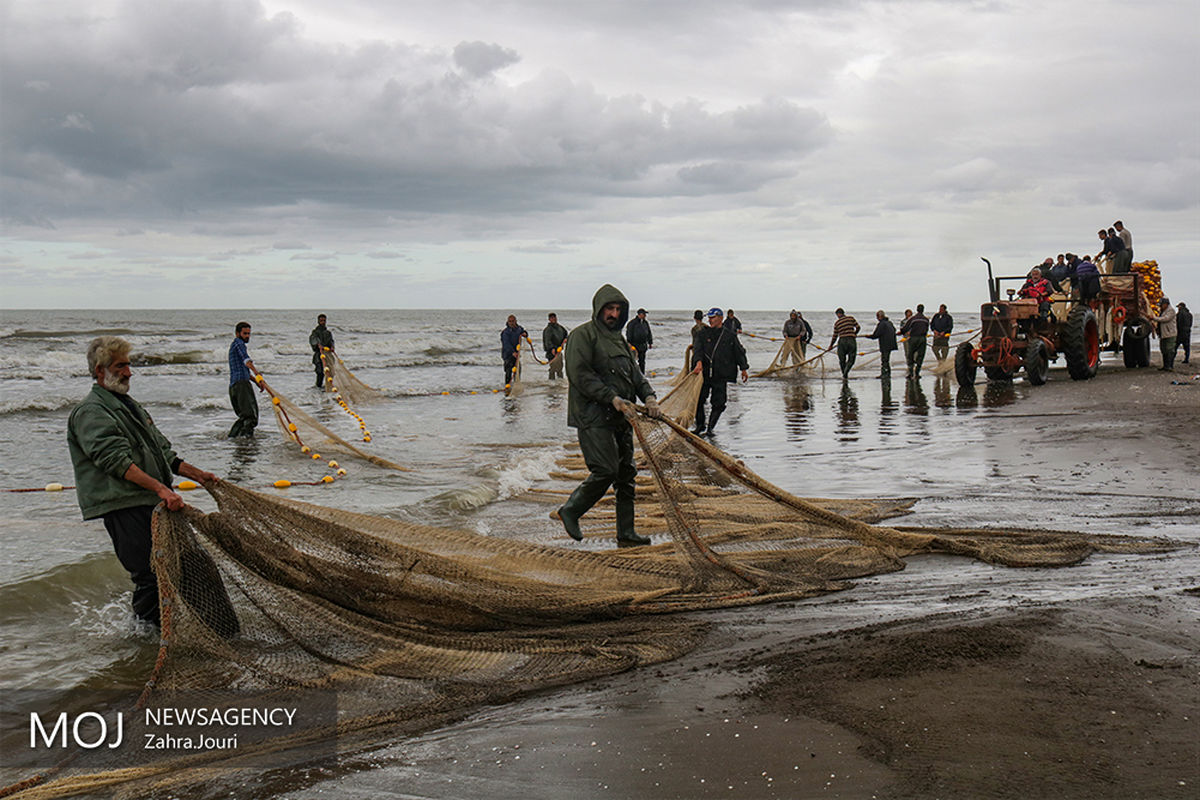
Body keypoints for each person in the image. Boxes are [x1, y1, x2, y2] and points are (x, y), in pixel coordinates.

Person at [67, 337, 218, 626]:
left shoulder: (129, 406)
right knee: (150, 576)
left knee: (194, 565)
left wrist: (199, 475)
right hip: (125, 505)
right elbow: (115, 461)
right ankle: (147, 643)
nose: (128, 372)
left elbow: (164, 452)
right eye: (120, 366)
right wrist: (161, 488)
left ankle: (209, 631)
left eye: (128, 365)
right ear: (99, 371)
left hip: (152, 502)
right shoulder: (92, 412)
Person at [558, 285, 661, 548]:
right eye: (609, 309)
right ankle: (571, 509)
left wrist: (649, 396)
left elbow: (635, 376)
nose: (614, 314)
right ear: (599, 309)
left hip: (621, 418)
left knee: (626, 475)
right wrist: (611, 398)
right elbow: (579, 375)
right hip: (593, 417)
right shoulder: (583, 335)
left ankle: (626, 533)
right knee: (605, 469)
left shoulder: (620, 340)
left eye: (618, 309)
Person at [691, 308, 749, 435]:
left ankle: (710, 428)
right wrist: (698, 362)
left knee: (719, 403)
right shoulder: (702, 334)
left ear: (720, 318)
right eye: (709, 318)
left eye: (713, 318)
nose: (710, 320)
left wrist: (743, 369)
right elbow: (697, 349)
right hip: (704, 374)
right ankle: (700, 425)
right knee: (698, 400)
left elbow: (739, 352)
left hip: (721, 374)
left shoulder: (729, 335)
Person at [228, 322, 262, 437]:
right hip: (241, 386)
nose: (247, 336)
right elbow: (246, 360)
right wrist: (257, 373)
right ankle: (247, 442)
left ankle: (233, 439)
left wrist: (255, 381)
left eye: (249, 334)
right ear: (237, 333)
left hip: (234, 386)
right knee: (250, 417)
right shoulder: (239, 343)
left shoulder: (234, 346)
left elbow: (243, 370)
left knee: (244, 417)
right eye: (245, 333)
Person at [829, 308, 860, 379]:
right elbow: (858, 327)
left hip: (842, 341)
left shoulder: (837, 323)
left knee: (842, 359)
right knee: (851, 358)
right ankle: (846, 372)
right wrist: (854, 334)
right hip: (851, 340)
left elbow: (835, 336)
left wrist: (831, 345)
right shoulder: (851, 318)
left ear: (838, 314)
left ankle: (844, 374)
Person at [900, 303, 930, 377]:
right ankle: (917, 372)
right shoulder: (926, 319)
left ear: (917, 310)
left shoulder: (913, 319)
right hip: (922, 338)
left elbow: (905, 328)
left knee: (910, 354)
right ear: (923, 310)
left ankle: (911, 372)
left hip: (913, 338)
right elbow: (926, 329)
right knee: (921, 355)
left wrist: (901, 332)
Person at [865, 310, 897, 378]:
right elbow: (894, 330)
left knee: (884, 360)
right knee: (886, 359)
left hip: (885, 344)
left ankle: (884, 374)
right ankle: (887, 373)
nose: (877, 319)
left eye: (877, 317)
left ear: (880, 317)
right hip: (891, 343)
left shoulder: (882, 324)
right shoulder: (889, 323)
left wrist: (869, 336)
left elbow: (876, 334)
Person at [500, 315, 527, 387]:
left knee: (518, 370)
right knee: (508, 371)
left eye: (513, 321)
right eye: (510, 321)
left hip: (516, 354)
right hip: (508, 354)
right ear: (507, 322)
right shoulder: (505, 332)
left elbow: (523, 331)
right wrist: (512, 352)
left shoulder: (519, 329)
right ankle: (507, 386)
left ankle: (516, 385)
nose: (511, 323)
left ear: (516, 321)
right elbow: (506, 344)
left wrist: (525, 333)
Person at [309, 314, 334, 388]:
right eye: (321, 321)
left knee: (330, 372)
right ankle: (318, 387)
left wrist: (332, 346)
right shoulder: (315, 332)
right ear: (318, 321)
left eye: (324, 321)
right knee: (320, 372)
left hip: (328, 355)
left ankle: (327, 387)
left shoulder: (328, 333)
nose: (323, 322)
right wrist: (318, 344)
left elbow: (331, 341)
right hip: (318, 355)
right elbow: (313, 339)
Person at [1151, 297, 1177, 371]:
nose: (1160, 306)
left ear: (1166, 304)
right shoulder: (1162, 311)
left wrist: (1154, 318)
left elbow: (1166, 319)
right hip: (1163, 334)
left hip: (1170, 334)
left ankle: (1170, 366)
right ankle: (1165, 366)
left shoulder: (1171, 311)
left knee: (1169, 350)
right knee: (1164, 350)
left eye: (1161, 305)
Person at [625, 308, 653, 373]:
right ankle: (633, 374)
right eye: (644, 314)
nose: (645, 316)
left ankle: (642, 374)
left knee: (642, 361)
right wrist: (629, 343)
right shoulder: (632, 323)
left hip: (643, 345)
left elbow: (649, 333)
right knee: (633, 361)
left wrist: (650, 342)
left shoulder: (645, 323)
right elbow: (629, 333)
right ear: (640, 314)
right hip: (634, 345)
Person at [542, 313, 569, 380]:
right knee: (553, 368)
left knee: (560, 368)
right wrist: (552, 348)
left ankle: (559, 384)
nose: (553, 319)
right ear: (549, 319)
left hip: (559, 351)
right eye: (551, 318)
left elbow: (566, 334)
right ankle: (551, 384)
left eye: (554, 317)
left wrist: (566, 338)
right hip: (551, 352)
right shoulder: (547, 330)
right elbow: (547, 341)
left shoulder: (560, 328)